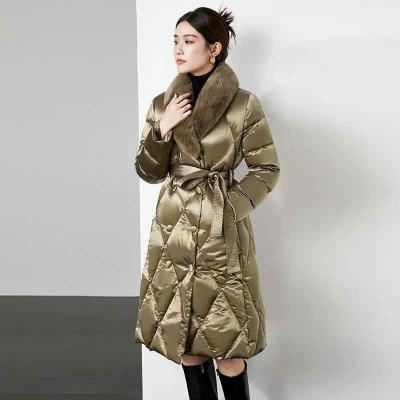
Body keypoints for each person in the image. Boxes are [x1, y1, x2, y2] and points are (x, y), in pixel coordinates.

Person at [133, 6, 281, 400]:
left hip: (220, 229)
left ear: (214, 48)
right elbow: (148, 172)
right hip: (174, 231)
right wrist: (162, 129)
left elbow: (266, 168)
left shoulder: (244, 104)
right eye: (175, 41)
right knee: (187, 345)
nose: (178, 49)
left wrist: (228, 209)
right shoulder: (163, 104)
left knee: (228, 348)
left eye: (189, 41)